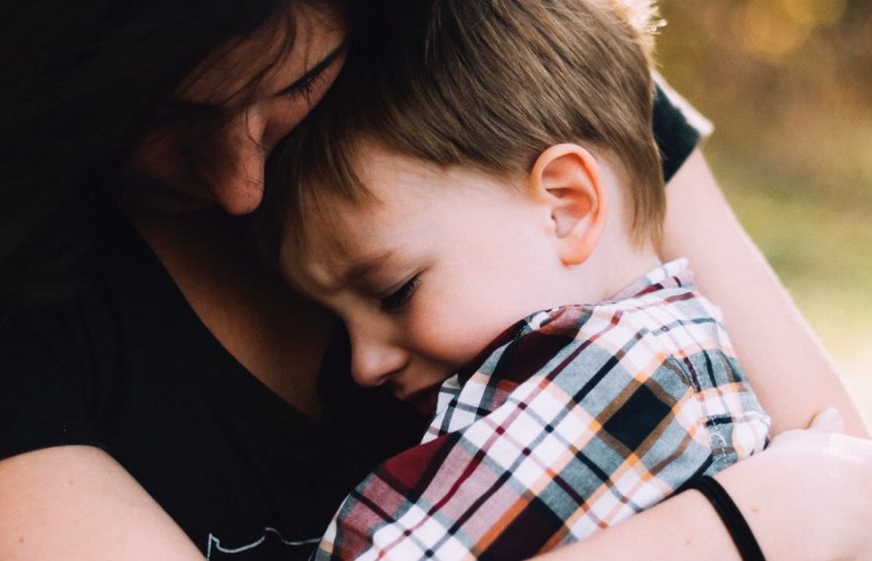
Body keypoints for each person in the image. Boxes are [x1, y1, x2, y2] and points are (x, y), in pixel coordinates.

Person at [0, 1, 868, 561]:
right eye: (155, 117)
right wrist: (749, 526)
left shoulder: (520, 93)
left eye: (294, 84)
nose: (237, 185)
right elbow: (828, 494)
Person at [263, 0, 770, 558]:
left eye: (395, 292)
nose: (364, 364)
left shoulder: (619, 373)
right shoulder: (670, 353)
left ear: (566, 207)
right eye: (338, 320)